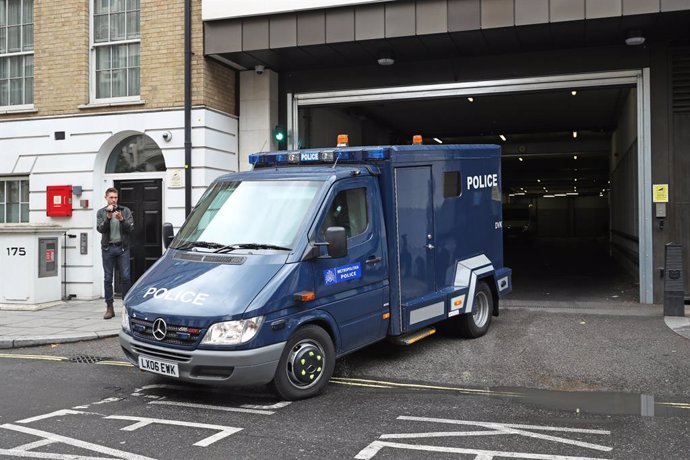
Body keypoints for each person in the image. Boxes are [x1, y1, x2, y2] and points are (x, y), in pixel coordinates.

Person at [96, 187, 134, 319]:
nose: (113, 200)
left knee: (126, 277)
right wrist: (108, 218)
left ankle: (126, 307)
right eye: (111, 197)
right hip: (108, 248)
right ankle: (109, 308)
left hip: (122, 248)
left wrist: (122, 219)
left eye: (115, 197)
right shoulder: (101, 212)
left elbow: (130, 228)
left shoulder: (125, 211)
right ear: (106, 198)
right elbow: (100, 229)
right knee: (108, 278)